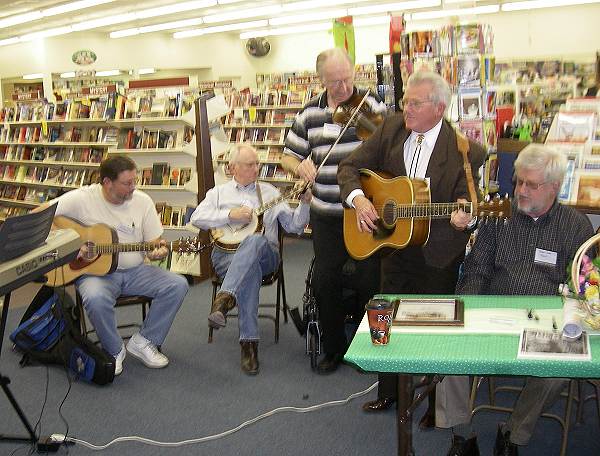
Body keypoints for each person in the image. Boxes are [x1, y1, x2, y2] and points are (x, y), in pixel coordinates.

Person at [337, 71, 486, 415]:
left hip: (438, 252)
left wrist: (469, 216)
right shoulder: (391, 129)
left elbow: (469, 199)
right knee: (386, 322)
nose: (407, 109)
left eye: (415, 103)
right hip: (391, 246)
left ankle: (436, 403)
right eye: (406, 102)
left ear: (440, 108)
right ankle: (390, 390)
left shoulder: (466, 150)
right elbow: (349, 166)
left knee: (434, 328)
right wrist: (359, 199)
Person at [438, 144, 594, 456]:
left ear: (554, 187)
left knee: (559, 369)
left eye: (530, 184)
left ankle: (513, 433)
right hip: (495, 312)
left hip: (545, 323)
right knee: (448, 351)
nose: (520, 190)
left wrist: (569, 317)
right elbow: (477, 268)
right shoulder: (500, 217)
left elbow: (583, 287)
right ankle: (462, 435)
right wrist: (466, 308)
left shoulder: (575, 225)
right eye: (518, 181)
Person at [281, 47, 387, 374]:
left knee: (371, 280)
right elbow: (288, 155)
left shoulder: (371, 107)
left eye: (347, 79)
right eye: (334, 82)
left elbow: (388, 149)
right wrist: (299, 168)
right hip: (326, 212)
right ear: (321, 80)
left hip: (363, 212)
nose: (343, 88)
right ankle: (333, 349)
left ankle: (372, 349)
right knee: (325, 281)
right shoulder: (308, 114)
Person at [43, 155, 189, 376]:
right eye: (127, 183)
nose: (133, 188)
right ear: (107, 183)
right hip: (95, 274)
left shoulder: (142, 201)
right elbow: (39, 216)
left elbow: (154, 242)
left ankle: (144, 341)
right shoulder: (82, 198)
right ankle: (114, 349)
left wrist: (157, 250)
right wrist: (70, 246)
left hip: (136, 271)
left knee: (177, 284)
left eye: (134, 181)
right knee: (94, 297)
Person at [190, 144, 311, 375]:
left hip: (267, 255)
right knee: (249, 271)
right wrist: (228, 214)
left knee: (254, 242)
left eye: (258, 164)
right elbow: (197, 218)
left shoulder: (270, 193)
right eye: (250, 165)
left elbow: (295, 226)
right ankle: (248, 344)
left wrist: (305, 202)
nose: (256, 169)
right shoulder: (219, 193)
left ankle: (225, 298)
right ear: (233, 167)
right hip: (226, 255)